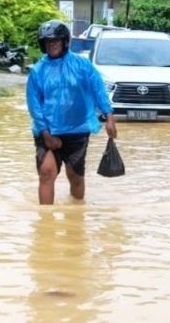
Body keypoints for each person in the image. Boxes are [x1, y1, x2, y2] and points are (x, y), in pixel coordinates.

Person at [26, 20, 117, 205]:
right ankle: (46, 224)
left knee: (75, 176)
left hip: (77, 130)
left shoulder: (82, 65)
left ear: (64, 41)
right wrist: (45, 133)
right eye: (47, 42)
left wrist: (109, 116)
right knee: (46, 173)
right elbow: (34, 106)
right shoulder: (37, 71)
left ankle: (77, 213)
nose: (52, 45)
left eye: (55, 41)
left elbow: (98, 89)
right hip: (48, 131)